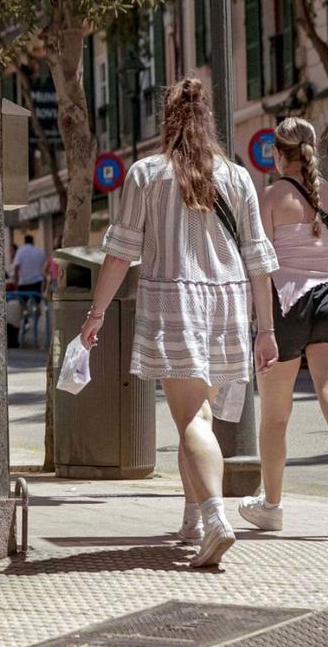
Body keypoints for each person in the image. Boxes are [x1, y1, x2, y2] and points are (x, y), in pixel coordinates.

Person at [80, 78, 280, 568]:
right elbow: (258, 259)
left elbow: (119, 253)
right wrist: (267, 329)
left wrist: (97, 312)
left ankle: (215, 518)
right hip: (229, 304)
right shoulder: (236, 176)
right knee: (200, 418)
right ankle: (193, 516)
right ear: (208, 118)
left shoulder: (147, 174)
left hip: (176, 301)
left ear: (165, 119)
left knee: (189, 418)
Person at [239, 117, 328, 540]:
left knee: (275, 415)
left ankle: (272, 506)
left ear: (277, 154)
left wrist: (259, 324)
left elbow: (258, 265)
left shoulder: (269, 197)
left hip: (284, 305)